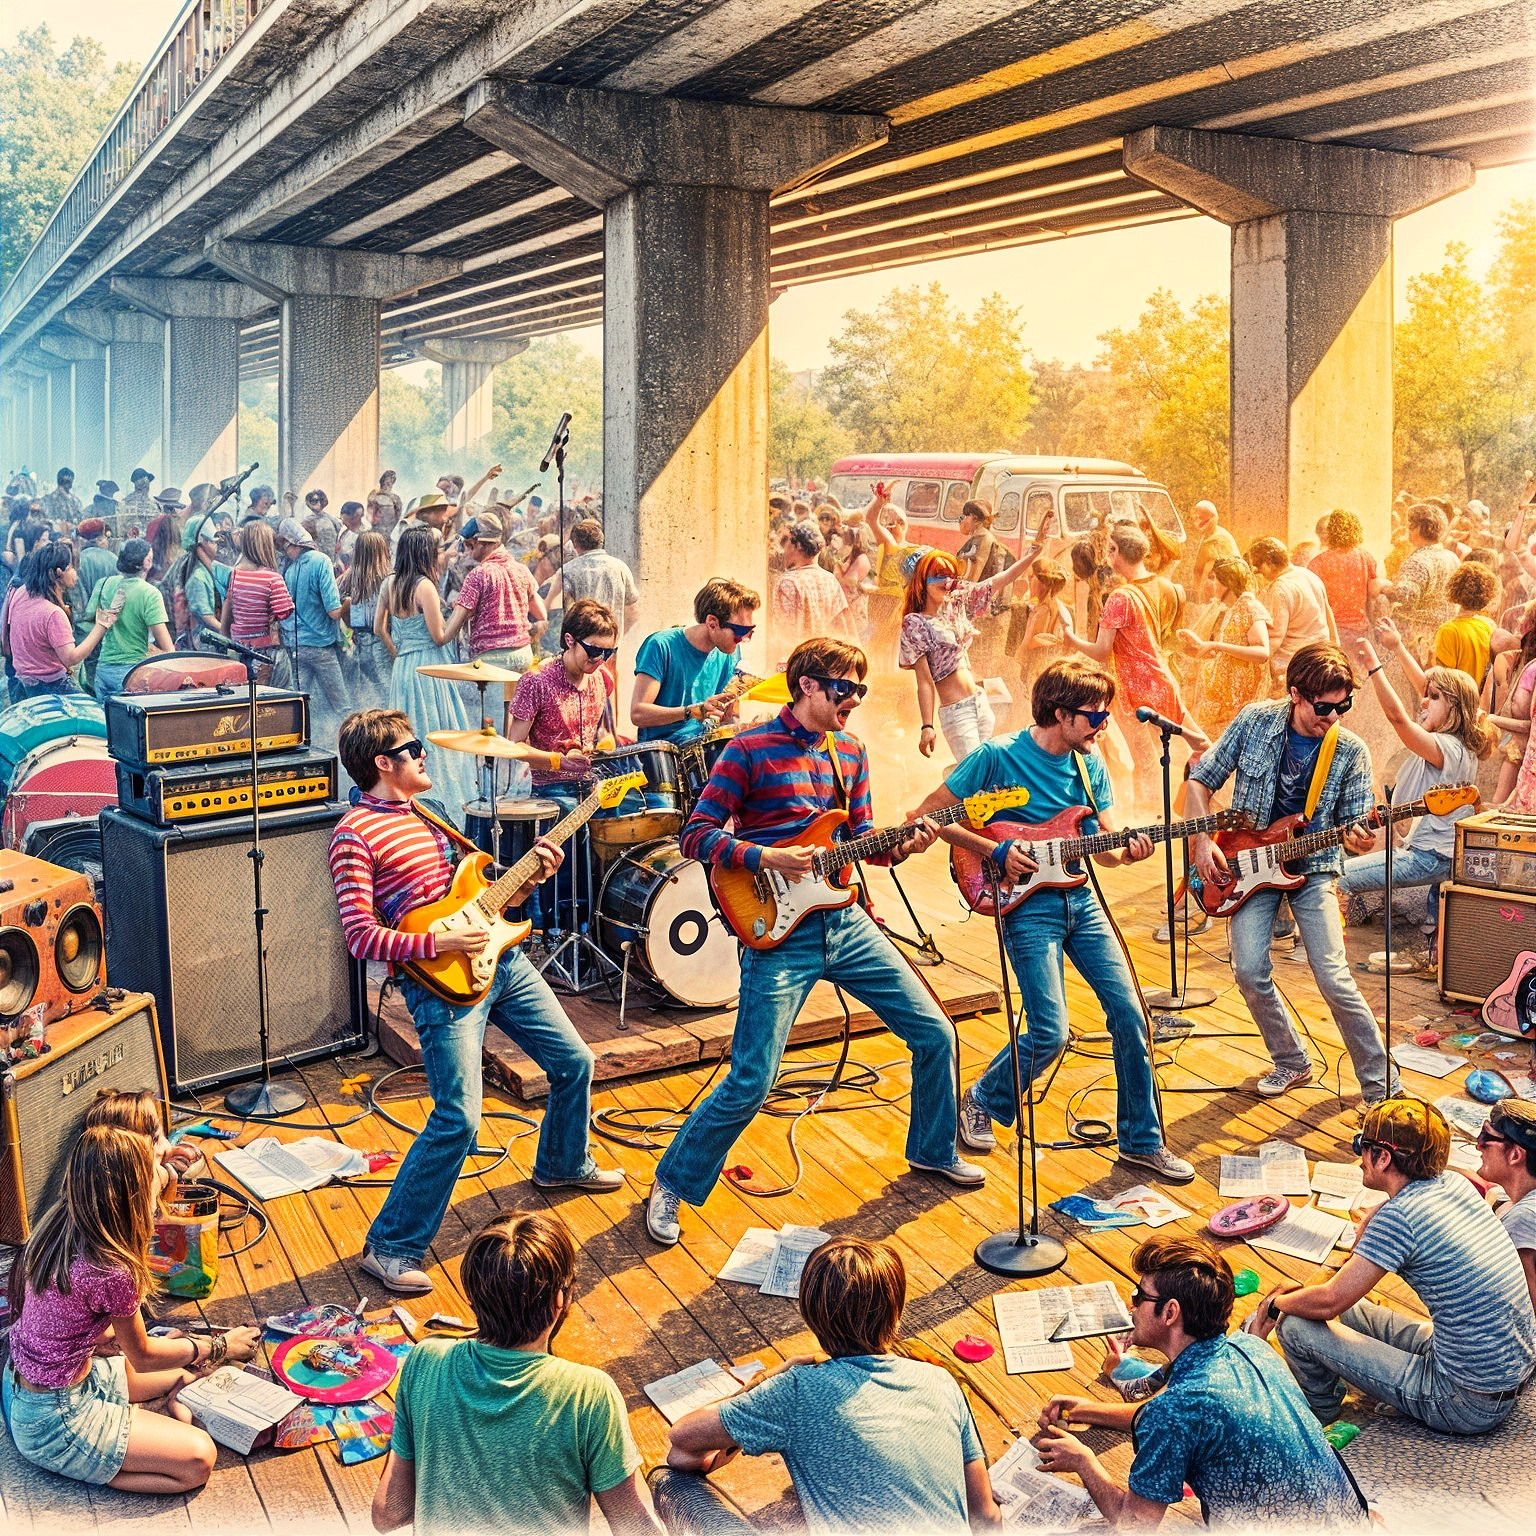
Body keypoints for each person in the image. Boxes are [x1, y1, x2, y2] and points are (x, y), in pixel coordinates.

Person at [647, 637, 982, 1248]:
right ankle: (672, 1180)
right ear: (806, 685)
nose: (854, 699)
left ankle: (933, 1150)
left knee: (935, 1032)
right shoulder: (747, 749)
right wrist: (767, 854)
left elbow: (863, 841)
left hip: (845, 919)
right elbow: (694, 835)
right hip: (778, 932)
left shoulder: (850, 751)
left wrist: (900, 845)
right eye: (843, 689)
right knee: (753, 1077)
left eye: (861, 690)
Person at [329, 711, 620, 1297]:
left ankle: (562, 1163)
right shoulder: (354, 834)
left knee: (574, 1063)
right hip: (441, 983)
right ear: (383, 764)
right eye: (414, 750)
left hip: (498, 959)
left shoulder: (427, 819)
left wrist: (530, 878)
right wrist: (440, 942)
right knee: (458, 1116)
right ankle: (389, 1248)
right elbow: (359, 936)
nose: (424, 757)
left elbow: (476, 900)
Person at [916, 659, 1195, 1184]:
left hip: (1081, 901)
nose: (1103, 725)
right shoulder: (995, 756)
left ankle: (1142, 1142)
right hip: (1026, 906)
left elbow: (1107, 851)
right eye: (1094, 716)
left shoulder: (1089, 767)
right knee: (1050, 1032)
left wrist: (1130, 851)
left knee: (1132, 1016)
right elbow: (927, 817)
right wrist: (993, 849)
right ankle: (981, 1097)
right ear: (1061, 714)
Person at [1184, 643, 1399, 1103]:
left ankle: (1383, 1089)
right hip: (1247, 863)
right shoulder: (1254, 721)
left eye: (1344, 706)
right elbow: (1200, 781)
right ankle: (1291, 1061)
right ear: (1296, 694)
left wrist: (1360, 837)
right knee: (1248, 970)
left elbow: (1357, 823)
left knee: (1334, 977)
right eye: (1324, 707)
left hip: (1315, 868)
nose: (1334, 717)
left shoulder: (1350, 750)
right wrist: (1202, 840)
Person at [664, 1238, 997, 1534]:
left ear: (810, 1316)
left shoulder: (796, 1389)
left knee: (669, 1483)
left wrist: (765, 1382)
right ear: (896, 1316)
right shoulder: (940, 1380)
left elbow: (681, 1443)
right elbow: (985, 1517)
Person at [1033, 1236, 1366, 1529]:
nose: (1131, 1305)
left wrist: (1083, 1461)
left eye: (1139, 1296)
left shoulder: (1176, 1412)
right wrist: (1088, 1410)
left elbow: (1135, 1525)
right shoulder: (1250, 1347)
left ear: (1170, 1313)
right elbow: (1174, 1417)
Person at [3, 1126, 260, 1493]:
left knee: (182, 1372)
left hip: (27, 1386)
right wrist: (219, 1345)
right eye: (154, 1169)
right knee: (198, 1461)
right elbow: (143, 1356)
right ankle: (86, 1463)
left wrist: (122, 1342)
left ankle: (121, 1438)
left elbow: (67, 1317)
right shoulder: (112, 1269)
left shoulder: (58, 1223)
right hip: (55, 1420)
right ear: (133, 1197)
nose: (164, 1173)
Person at [372, 1209, 658, 1536]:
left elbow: (388, 1513)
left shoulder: (425, 1360)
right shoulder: (589, 1394)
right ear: (559, 1299)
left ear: (472, 1295)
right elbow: (636, 1526)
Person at [1259, 1097, 1536, 1435]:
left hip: (1466, 1402)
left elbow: (1331, 1299)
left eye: (1362, 1146)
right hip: (1503, 1376)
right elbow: (1341, 1296)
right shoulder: (1455, 1184)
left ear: (1383, 1157)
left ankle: (1318, 1414)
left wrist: (1274, 1303)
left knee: (1295, 1325)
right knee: (1338, 1308)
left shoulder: (1399, 1218)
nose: (1359, 1157)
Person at [1342, 635, 1489, 946]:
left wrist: (1374, 668)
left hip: (1430, 858)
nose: (1423, 701)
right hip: (1443, 855)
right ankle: (1434, 952)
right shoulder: (1463, 745)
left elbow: (1398, 720)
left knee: (1335, 876)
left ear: (1454, 707)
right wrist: (1397, 645)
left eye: (1433, 697)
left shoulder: (1446, 747)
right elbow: (1428, 688)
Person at [1060, 522, 1210, 799]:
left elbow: (1102, 651)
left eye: (1109, 551)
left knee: (1147, 764)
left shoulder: (1120, 596)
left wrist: (1070, 639)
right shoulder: (1158, 586)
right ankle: (1218, 791)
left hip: (1136, 691)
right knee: (1198, 742)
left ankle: (1151, 817)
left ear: (1116, 551)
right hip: (1161, 680)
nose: (1106, 558)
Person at [898, 538, 1044, 763]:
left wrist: (1031, 555)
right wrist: (927, 725)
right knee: (976, 775)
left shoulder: (955, 606)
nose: (947, 580)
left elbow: (998, 581)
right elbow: (925, 681)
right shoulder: (915, 623)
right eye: (938, 574)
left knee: (990, 773)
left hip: (980, 702)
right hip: (957, 713)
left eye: (950, 574)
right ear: (920, 581)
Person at [377, 526, 477, 826]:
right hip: (428, 669)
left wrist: (399, 652)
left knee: (409, 735)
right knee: (438, 732)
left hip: (404, 668)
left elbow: (378, 628)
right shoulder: (424, 587)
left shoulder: (389, 583)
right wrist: (461, 612)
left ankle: (409, 803)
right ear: (424, 553)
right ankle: (445, 805)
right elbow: (440, 637)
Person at [507, 598, 618, 808]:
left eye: (608, 652)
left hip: (591, 782)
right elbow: (514, 746)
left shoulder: (602, 677)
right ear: (570, 640)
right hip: (551, 788)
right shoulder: (536, 681)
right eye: (594, 650)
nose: (600, 659)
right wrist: (558, 761)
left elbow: (604, 733)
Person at [630, 578, 760, 744]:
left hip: (703, 745)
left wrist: (739, 725)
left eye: (749, 631)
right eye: (740, 631)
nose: (742, 639)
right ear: (712, 623)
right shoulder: (661, 645)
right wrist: (691, 712)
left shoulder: (730, 652)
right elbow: (638, 714)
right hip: (662, 751)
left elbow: (727, 718)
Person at [441, 510, 544, 688]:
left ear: (481, 542)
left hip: (492, 660)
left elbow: (449, 631)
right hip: (523, 655)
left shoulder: (478, 575)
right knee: (516, 714)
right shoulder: (521, 569)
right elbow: (541, 614)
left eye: (469, 545)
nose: (467, 550)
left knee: (492, 715)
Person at [0, 542, 117, 699]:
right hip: (52, 686)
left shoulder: (21, 592)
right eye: (71, 568)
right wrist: (101, 626)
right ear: (59, 572)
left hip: (26, 683)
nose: (75, 573)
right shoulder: (52, 614)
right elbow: (70, 658)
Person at [1178, 556, 1272, 738]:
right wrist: (1200, 645)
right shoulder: (1230, 609)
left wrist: (1217, 645)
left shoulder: (1248, 606)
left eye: (1215, 579)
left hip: (1238, 703)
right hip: (1221, 701)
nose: (1210, 584)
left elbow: (1262, 652)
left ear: (1228, 582)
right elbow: (1229, 652)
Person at [278, 517, 349, 746]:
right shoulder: (321, 561)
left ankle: (301, 746)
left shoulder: (289, 572)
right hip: (322, 648)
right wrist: (348, 602)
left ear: (295, 544)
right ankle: (352, 746)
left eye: (286, 546)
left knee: (299, 704)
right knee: (342, 706)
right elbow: (333, 612)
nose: (285, 551)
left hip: (297, 648)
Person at [1246, 536, 1338, 697]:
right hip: (1320, 660)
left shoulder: (1280, 588)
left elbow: (1275, 638)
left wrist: (1249, 664)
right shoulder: (1309, 575)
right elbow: (1328, 615)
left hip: (1293, 668)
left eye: (1258, 567)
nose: (1258, 573)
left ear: (1268, 561)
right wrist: (1336, 650)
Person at [86, 537, 173, 701]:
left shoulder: (105, 583)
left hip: (103, 670)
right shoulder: (150, 594)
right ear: (147, 562)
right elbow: (168, 649)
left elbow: (89, 618)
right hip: (131, 674)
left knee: (107, 725)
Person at [1477, 1098, 1536, 1313]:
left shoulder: (1523, 1219)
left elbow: (1527, 1310)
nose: (1478, 1145)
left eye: (1485, 1138)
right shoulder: (1514, 1200)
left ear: (1515, 1155)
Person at [222, 519, 295, 686]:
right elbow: (285, 612)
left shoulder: (235, 575)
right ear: (266, 545)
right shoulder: (272, 578)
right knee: (279, 702)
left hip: (240, 651)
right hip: (267, 653)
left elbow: (228, 616)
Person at [1385, 503, 1460, 664]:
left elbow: (1406, 595)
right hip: (1444, 636)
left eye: (1410, 526)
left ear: (1420, 528)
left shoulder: (1419, 560)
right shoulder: (1451, 557)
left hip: (1417, 640)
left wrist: (1384, 588)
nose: (1408, 530)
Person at [1309, 510, 1385, 667]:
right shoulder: (1366, 558)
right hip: (1360, 630)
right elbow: (1372, 593)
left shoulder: (1319, 563)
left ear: (1330, 531)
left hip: (1331, 632)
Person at [771, 521, 855, 660]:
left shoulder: (788, 582)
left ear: (797, 546)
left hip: (796, 661)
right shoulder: (829, 580)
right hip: (822, 660)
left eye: (786, 543)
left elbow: (783, 632)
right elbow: (844, 624)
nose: (784, 550)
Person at [550, 519, 639, 633]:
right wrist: (617, 636)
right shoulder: (621, 567)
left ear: (575, 543)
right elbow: (634, 612)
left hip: (582, 645)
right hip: (612, 645)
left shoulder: (568, 571)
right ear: (601, 541)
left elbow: (566, 614)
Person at [341, 529, 392, 709]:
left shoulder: (351, 575)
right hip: (382, 639)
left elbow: (336, 601)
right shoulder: (388, 576)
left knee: (366, 689)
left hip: (361, 639)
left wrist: (351, 625)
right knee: (386, 688)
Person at [1430, 560, 1500, 683]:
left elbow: (1442, 680)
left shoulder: (1448, 631)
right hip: (1482, 700)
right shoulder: (1489, 625)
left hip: (1459, 700)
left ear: (1455, 587)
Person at [1014, 557, 1069, 701]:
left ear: (1042, 581)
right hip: (1051, 677)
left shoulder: (1042, 612)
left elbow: (1023, 654)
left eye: (1031, 577)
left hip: (1038, 678)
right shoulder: (1058, 607)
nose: (1028, 581)